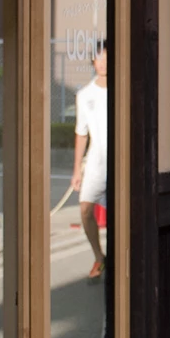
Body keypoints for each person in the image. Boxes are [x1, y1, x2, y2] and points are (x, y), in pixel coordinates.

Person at [73, 46, 109, 280]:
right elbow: (81, 133)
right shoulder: (84, 95)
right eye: (99, 58)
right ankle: (99, 256)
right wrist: (77, 169)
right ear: (92, 61)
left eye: (106, 57)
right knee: (85, 209)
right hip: (96, 163)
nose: (103, 62)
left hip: (120, 163)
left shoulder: (122, 89)